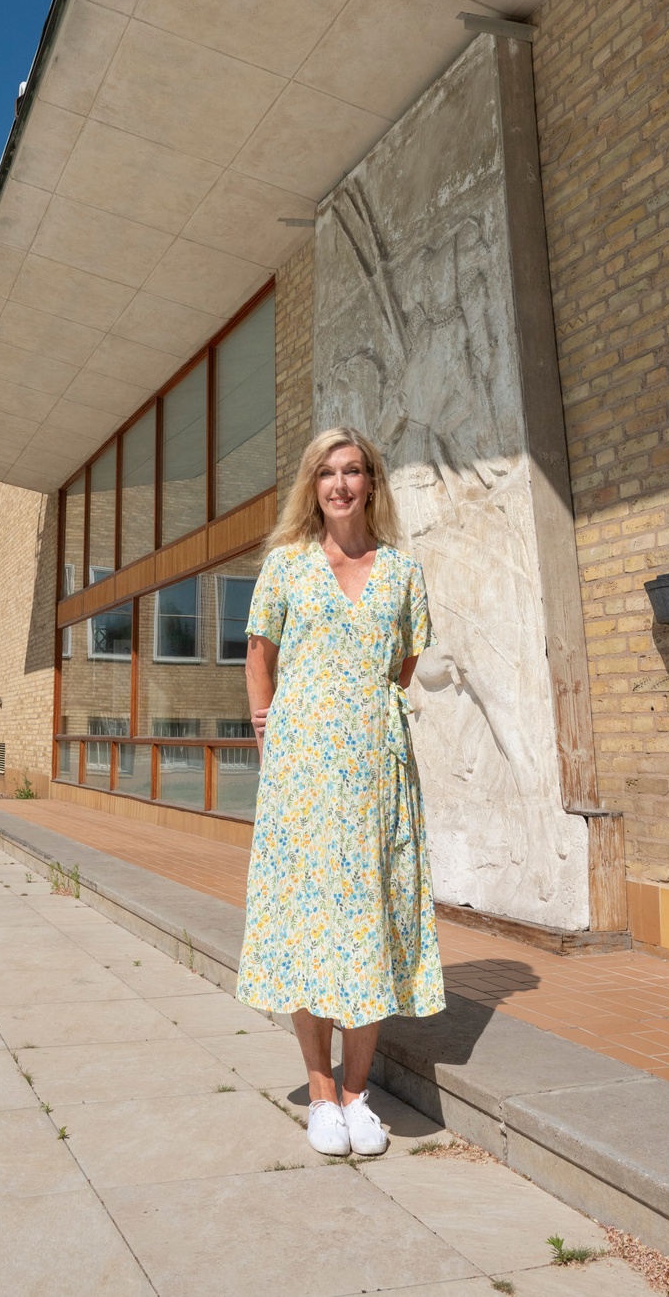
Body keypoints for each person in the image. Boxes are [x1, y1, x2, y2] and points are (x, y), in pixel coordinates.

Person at [238, 426, 445, 1157]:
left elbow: (403, 663)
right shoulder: (286, 566)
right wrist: (275, 739)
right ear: (312, 486)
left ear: (371, 483)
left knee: (372, 918)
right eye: (327, 472)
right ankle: (320, 1093)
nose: (340, 484)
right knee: (308, 921)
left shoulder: (402, 573)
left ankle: (359, 1094)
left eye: (352, 471)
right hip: (302, 775)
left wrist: (363, 725)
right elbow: (259, 659)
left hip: (378, 776)